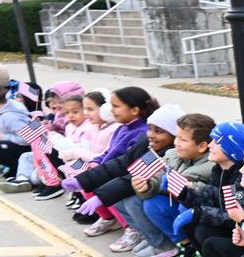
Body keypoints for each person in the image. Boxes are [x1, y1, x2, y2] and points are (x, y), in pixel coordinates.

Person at [68, 103, 181, 248]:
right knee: (117, 197)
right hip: (149, 188)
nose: (151, 134)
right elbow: (122, 163)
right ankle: (145, 234)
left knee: (131, 200)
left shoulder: (166, 153)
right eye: (150, 129)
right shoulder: (147, 143)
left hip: (165, 198)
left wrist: (100, 197)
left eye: (158, 131)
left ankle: (161, 243)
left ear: (174, 136)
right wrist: (82, 180)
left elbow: (135, 177)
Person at [62, 86, 159, 234]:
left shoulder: (142, 132)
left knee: (115, 194)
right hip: (111, 168)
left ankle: (130, 228)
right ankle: (108, 217)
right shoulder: (122, 128)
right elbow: (109, 152)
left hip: (126, 175)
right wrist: (96, 163)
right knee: (83, 175)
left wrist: (95, 168)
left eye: (116, 106)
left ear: (134, 110)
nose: (111, 110)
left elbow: (127, 163)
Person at [176, 121, 244, 257]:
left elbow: (235, 216)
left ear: (231, 148)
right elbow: (210, 198)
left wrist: (199, 212)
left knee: (202, 230)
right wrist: (184, 193)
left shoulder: (242, 177)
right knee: (191, 224)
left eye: (216, 141)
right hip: (232, 229)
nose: (210, 145)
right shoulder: (220, 169)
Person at [136, 113, 216, 257]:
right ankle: (186, 245)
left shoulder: (211, 165)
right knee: (151, 203)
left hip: (201, 212)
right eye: (177, 137)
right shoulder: (173, 154)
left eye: (183, 140)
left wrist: (190, 186)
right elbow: (159, 178)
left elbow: (206, 192)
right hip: (180, 203)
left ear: (202, 146)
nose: (176, 143)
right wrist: (147, 185)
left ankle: (201, 249)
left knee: (184, 209)